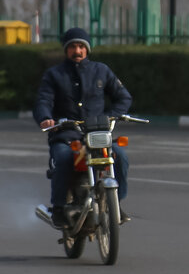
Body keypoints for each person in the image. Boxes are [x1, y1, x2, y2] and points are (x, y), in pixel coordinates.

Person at [34, 27, 133, 228]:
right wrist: (46, 118)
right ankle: (59, 208)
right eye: (72, 47)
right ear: (66, 50)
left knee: (120, 156)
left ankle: (117, 203)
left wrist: (111, 116)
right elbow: (43, 100)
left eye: (81, 46)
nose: (77, 51)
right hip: (66, 134)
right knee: (63, 158)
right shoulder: (54, 75)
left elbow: (123, 97)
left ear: (87, 49)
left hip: (98, 133)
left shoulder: (101, 71)